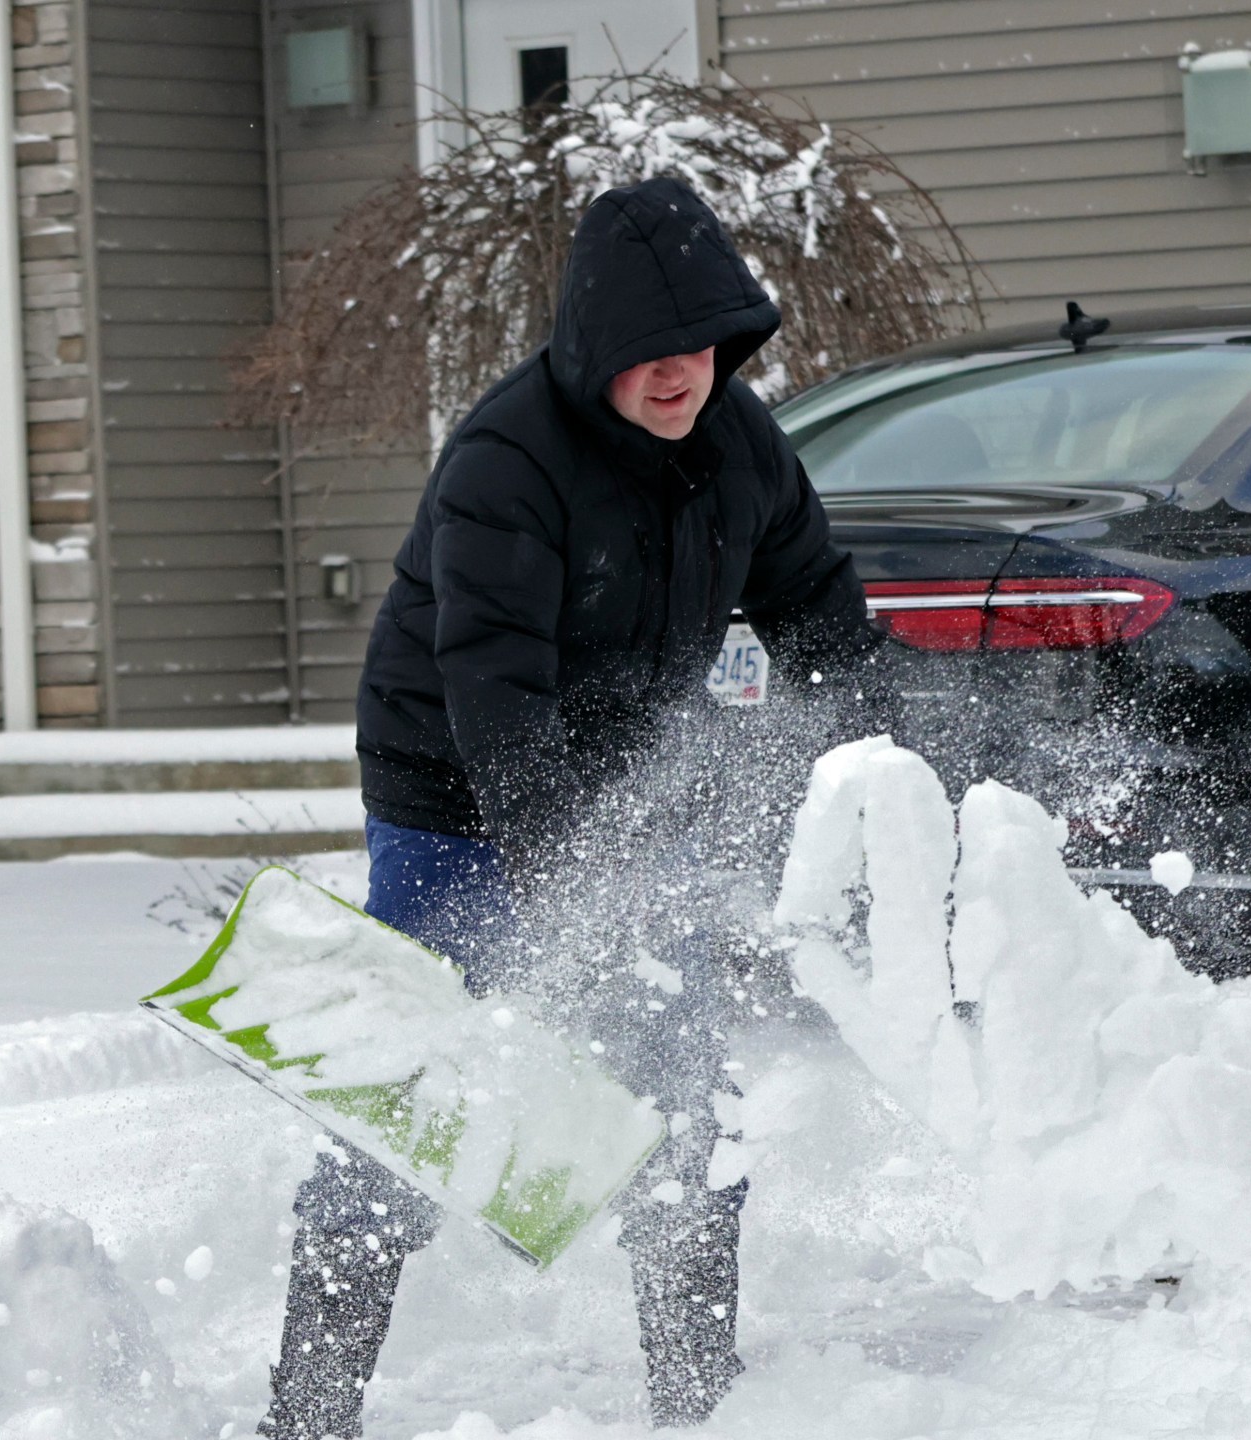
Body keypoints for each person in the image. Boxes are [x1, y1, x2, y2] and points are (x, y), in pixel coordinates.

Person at [259, 176, 886, 1439]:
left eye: (699, 346)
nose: (677, 376)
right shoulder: (507, 462)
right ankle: (309, 1410)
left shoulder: (740, 446)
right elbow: (492, 692)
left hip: (620, 788)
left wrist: (881, 770)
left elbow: (821, 609)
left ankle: (697, 1407)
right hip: (452, 788)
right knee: (417, 1087)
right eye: (649, 353)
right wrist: (567, 888)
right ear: (596, 346)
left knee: (677, 1090)